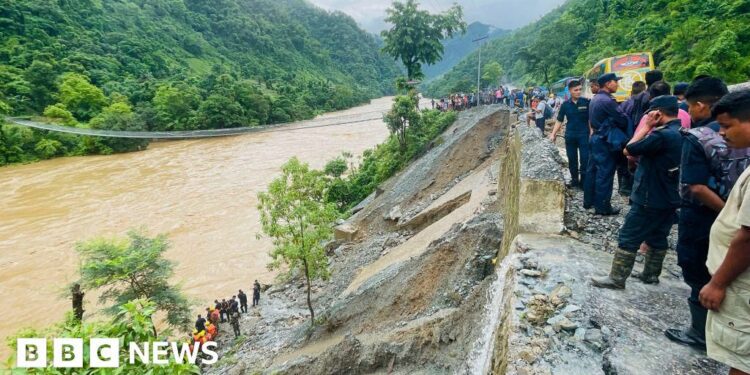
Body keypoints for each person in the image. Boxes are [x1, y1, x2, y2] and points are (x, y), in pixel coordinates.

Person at [665, 77, 738, 350]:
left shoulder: (698, 137)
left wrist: (726, 213)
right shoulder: (742, 132)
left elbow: (695, 186)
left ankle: (700, 332)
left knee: (697, 268)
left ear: (699, 105)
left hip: (704, 217)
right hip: (740, 217)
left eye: (689, 107)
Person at [591, 96, 684, 289]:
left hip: (649, 196)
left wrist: (646, 126)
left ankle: (617, 279)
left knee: (628, 236)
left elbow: (630, 149)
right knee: (658, 235)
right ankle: (651, 275)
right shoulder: (682, 132)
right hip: (669, 196)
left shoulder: (660, 136)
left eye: (650, 113)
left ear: (658, 112)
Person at [700, 90, 750, 375]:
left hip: (741, 283)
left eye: (727, 126)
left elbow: (748, 236)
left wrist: (718, 282)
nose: (721, 133)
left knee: (742, 357)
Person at [585, 73, 629, 215]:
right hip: (604, 140)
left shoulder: (595, 98)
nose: (617, 84)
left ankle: (588, 201)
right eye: (615, 82)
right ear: (608, 83)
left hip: (595, 137)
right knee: (605, 172)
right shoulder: (608, 101)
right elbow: (622, 120)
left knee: (592, 170)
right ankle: (603, 207)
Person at [550, 80, 591, 188]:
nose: (578, 92)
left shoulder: (586, 102)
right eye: (575, 90)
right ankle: (574, 180)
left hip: (584, 135)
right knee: (572, 159)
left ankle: (584, 182)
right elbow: (559, 120)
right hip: (570, 135)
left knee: (585, 159)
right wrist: (553, 134)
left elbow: (590, 120)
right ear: (570, 91)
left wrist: (591, 132)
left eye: (579, 90)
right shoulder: (565, 105)